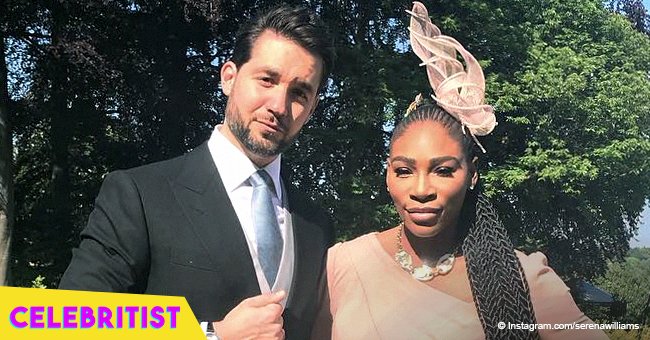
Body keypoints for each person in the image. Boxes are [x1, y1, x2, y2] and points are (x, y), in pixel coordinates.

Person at [313, 2, 607, 340]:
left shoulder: (522, 280)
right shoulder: (342, 265)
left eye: (442, 170)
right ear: (387, 174)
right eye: (404, 170)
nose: (421, 189)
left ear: (472, 174)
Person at [59, 4, 335, 339]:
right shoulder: (142, 196)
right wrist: (209, 334)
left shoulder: (316, 226)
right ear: (229, 77)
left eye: (299, 93)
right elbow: (67, 320)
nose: (278, 105)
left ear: (312, 108)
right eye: (267, 79)